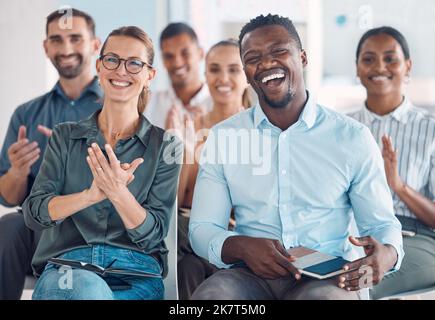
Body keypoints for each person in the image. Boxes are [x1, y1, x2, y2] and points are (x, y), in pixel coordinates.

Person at [189, 14, 404, 300]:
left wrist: (387, 253)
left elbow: (381, 224)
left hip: (328, 279)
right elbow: (203, 229)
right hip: (249, 276)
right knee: (212, 298)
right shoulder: (223, 137)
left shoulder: (352, 137)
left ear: (302, 57)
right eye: (254, 57)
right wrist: (240, 245)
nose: (266, 64)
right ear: (246, 70)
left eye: (279, 51)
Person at [22, 26, 182, 300]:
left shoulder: (167, 146)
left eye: (134, 63)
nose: (121, 70)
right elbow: (35, 212)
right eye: (112, 60)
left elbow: (154, 235)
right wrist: (90, 196)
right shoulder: (65, 136)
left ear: (149, 75)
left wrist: (119, 194)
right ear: (99, 66)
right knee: (90, 291)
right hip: (68, 270)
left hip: (137, 275)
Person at [0, 8, 102, 300]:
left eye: (75, 38)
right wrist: (18, 171)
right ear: (46, 47)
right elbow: (8, 197)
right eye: (57, 39)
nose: (66, 48)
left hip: (93, 226)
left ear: (95, 44)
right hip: (39, 227)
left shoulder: (116, 109)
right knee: (8, 225)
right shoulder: (27, 114)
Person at [348, 26, 435, 299]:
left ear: (407, 67)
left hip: (413, 238)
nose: (379, 67)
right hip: (350, 235)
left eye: (390, 58)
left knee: (357, 283)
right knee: (304, 276)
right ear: (358, 68)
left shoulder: (430, 130)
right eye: (369, 59)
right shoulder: (341, 128)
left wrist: (398, 186)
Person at [176, 39, 250, 299]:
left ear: (247, 75)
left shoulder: (258, 129)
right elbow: (176, 199)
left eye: (233, 69)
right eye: (215, 69)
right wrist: (183, 151)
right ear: (205, 74)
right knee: (186, 267)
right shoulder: (189, 125)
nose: (223, 78)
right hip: (189, 239)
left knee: (172, 235)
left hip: (231, 236)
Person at [144, 22, 212, 130]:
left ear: (200, 53)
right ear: (163, 60)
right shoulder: (149, 104)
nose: (177, 63)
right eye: (169, 56)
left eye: (185, 53)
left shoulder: (218, 103)